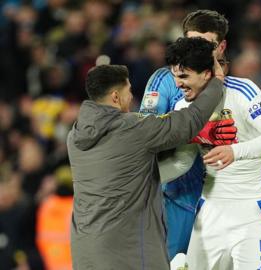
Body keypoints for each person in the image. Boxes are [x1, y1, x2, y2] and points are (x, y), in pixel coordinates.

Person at [138, 9, 261, 264]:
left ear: (220, 48)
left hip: (247, 203)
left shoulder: (241, 89)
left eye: (204, 45)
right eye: (191, 42)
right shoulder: (171, 87)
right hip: (183, 199)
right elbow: (149, 139)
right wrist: (194, 133)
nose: (196, 50)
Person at [66, 64, 224, 269]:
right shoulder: (131, 128)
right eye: (129, 91)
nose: (131, 97)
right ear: (115, 97)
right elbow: (188, 121)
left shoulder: (75, 136)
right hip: (127, 253)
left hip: (85, 252)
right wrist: (216, 83)